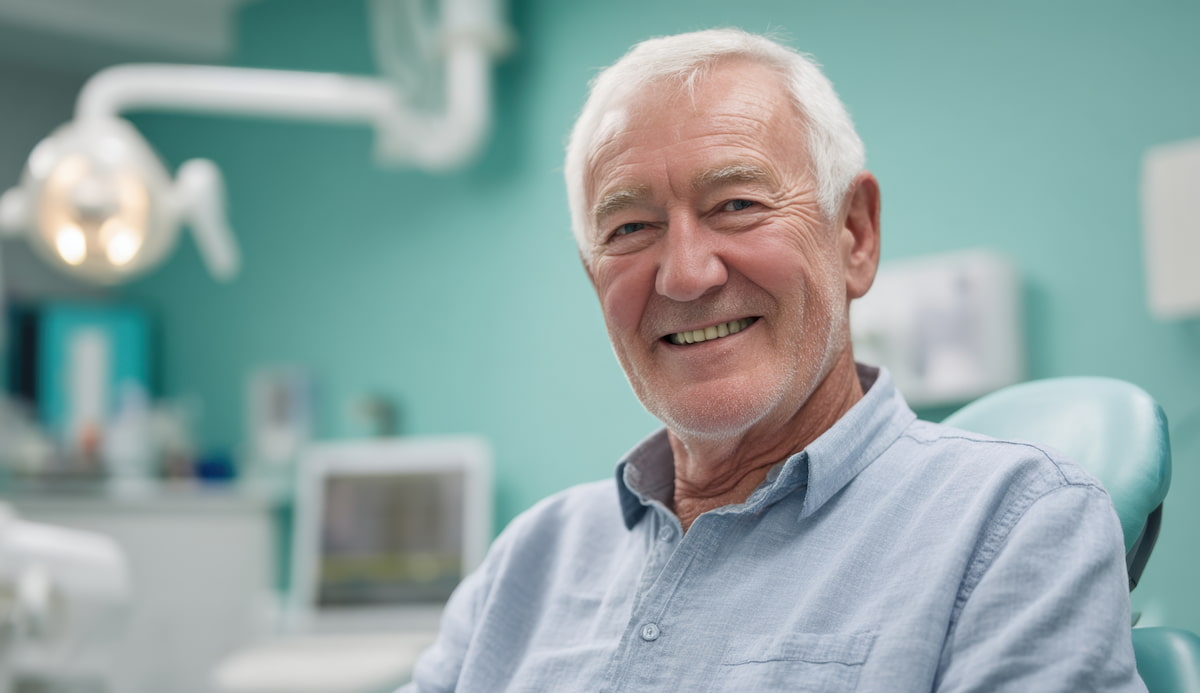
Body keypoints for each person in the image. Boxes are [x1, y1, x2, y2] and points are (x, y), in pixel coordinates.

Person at [401, 28, 1145, 691]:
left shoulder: (1016, 523)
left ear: (853, 235)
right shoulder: (526, 563)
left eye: (738, 206)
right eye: (631, 226)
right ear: (594, 276)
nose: (685, 273)